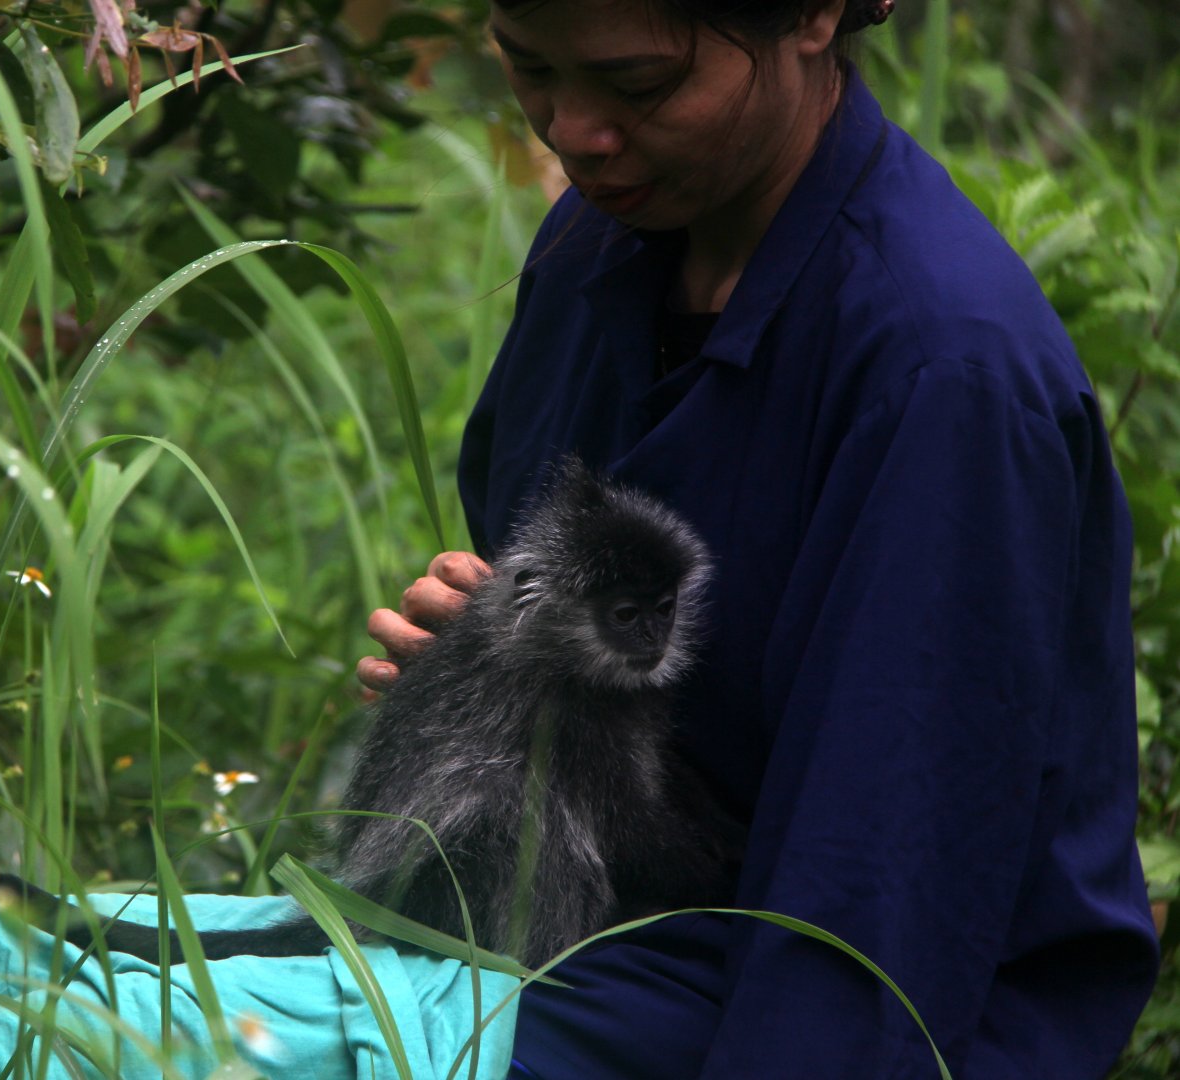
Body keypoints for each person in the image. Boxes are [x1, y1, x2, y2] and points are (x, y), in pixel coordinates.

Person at [357, 0, 1160, 1076]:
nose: (575, 132)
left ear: (816, 17)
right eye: (530, 67)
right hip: (599, 922)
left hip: (823, 998)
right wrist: (494, 668)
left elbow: (872, 910)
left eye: (641, 86)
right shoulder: (602, 243)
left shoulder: (940, 370)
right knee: (86, 976)